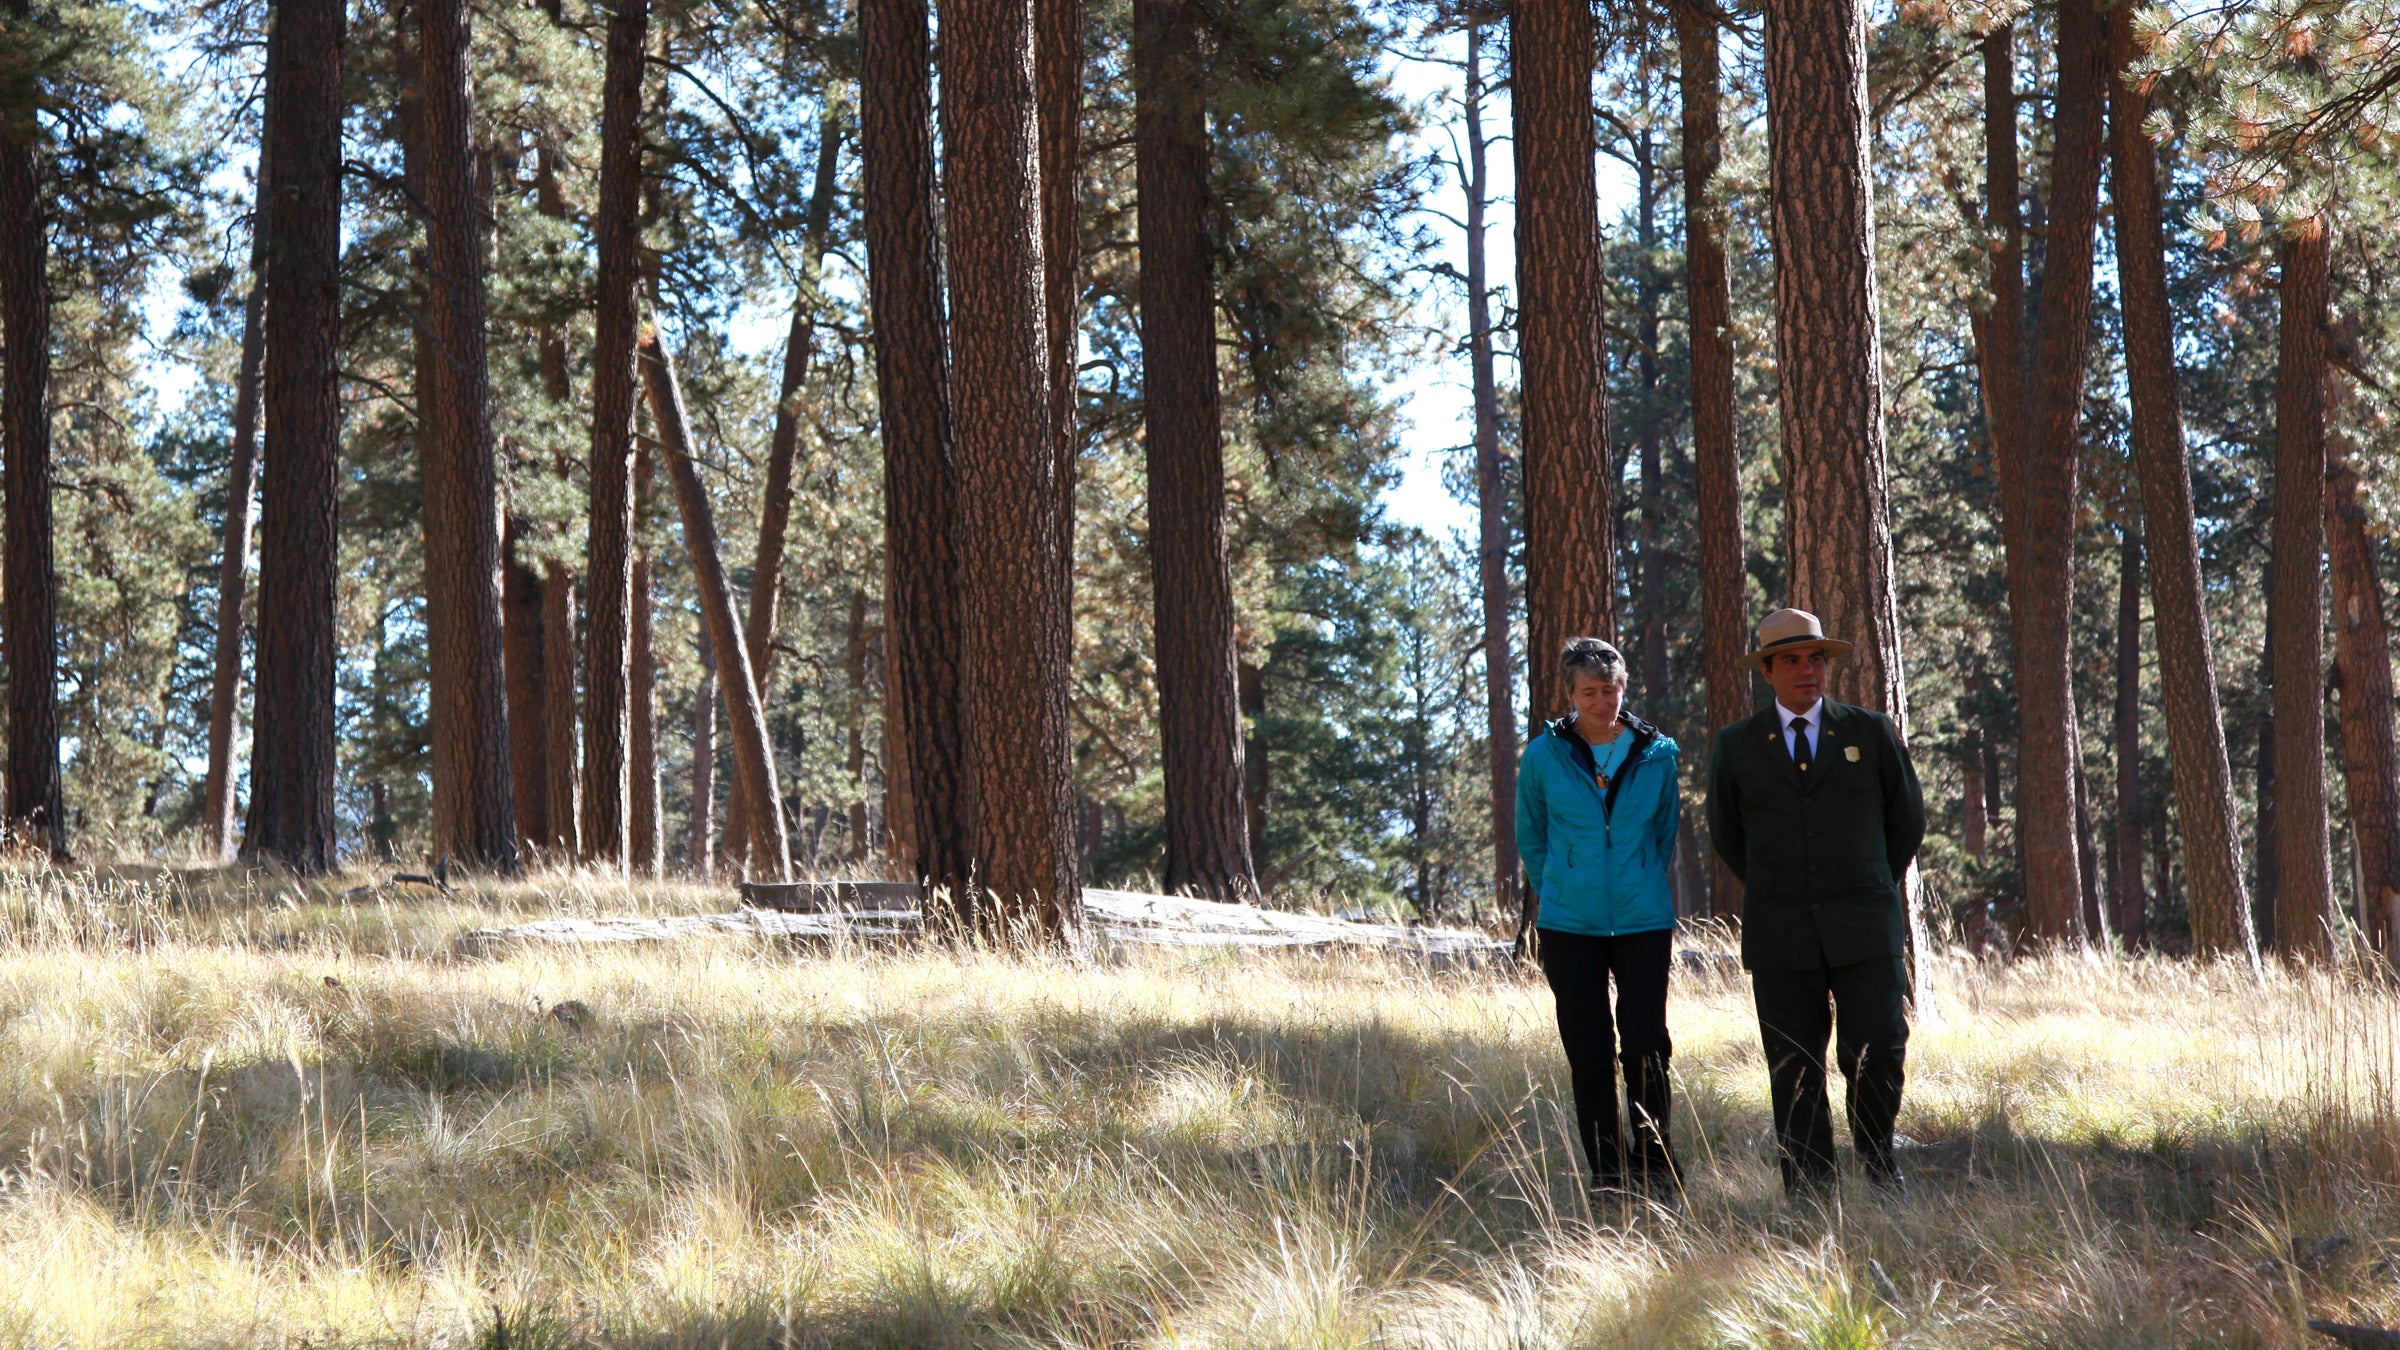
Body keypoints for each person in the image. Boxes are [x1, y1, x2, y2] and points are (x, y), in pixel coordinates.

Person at [1706, 608, 1925, 1197]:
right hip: (1782, 930)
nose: (1808, 671)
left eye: (1816, 659)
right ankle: (1809, 1189)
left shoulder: (1869, 732)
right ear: (1769, 672)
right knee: (1794, 1066)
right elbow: (1727, 835)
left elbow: (1907, 822)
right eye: (1792, 661)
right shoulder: (1737, 745)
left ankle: (1879, 1163)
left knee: (1879, 1048)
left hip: (1864, 923)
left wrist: (1869, 879)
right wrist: (1784, 886)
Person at [1516, 637, 1683, 1198]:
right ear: (1570, 694)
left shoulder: (1657, 754)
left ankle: (1655, 1165)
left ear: (1624, 688)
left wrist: (1636, 878)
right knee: (1588, 1054)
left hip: (1643, 922)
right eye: (1589, 692)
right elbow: (1532, 836)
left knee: (1645, 1044)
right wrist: (1559, 888)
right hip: (1569, 928)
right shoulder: (1543, 755)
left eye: (1610, 690)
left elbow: (1663, 834)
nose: (1601, 702)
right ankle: (1607, 1176)